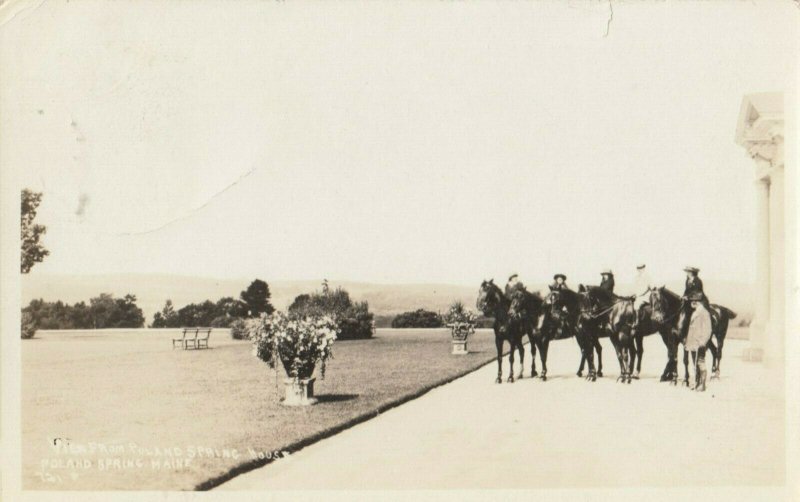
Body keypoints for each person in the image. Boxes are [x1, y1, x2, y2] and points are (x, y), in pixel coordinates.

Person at [684, 297, 712, 391]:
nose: (692, 302)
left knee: (700, 362)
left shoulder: (704, 312)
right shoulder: (696, 312)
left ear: (698, 302)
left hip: (699, 342)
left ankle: (702, 385)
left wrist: (703, 341)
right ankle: (697, 383)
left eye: (693, 300)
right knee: (695, 363)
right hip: (692, 343)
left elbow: (708, 329)